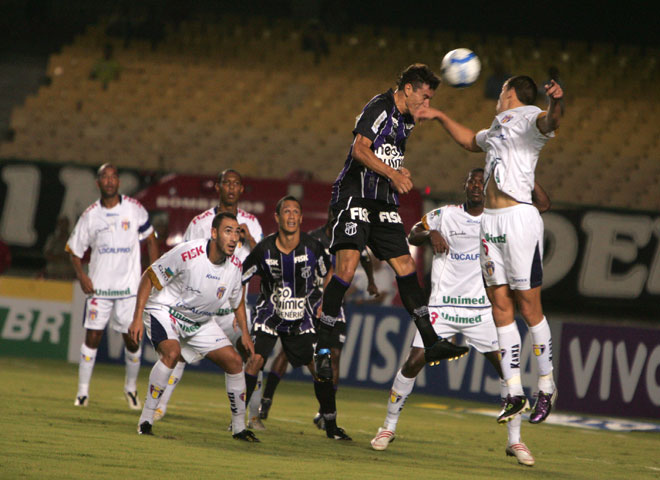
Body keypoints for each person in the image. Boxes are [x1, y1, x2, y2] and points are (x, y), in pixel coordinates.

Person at [370, 168, 550, 466]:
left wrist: (524, 172)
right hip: (443, 306)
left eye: (482, 182)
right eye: (473, 181)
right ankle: (387, 427)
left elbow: (542, 206)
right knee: (414, 361)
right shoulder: (446, 214)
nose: (477, 186)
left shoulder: (501, 217)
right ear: (465, 186)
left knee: (508, 371)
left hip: (483, 309)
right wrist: (432, 233)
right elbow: (413, 234)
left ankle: (515, 441)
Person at [416, 75, 563, 424]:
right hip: (492, 223)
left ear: (510, 93)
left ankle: (546, 384)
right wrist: (437, 115)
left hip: (517, 219)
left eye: (500, 92)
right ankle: (514, 391)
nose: (497, 97)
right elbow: (470, 141)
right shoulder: (499, 124)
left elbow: (552, 120)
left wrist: (557, 101)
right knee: (500, 306)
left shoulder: (530, 116)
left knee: (529, 306)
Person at [314, 64, 469, 382]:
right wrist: (393, 174)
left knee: (406, 268)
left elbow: (388, 156)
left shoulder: (408, 119)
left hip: (382, 200)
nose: (426, 106)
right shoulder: (380, 106)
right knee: (344, 270)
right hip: (355, 197)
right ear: (408, 89)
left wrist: (400, 171)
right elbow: (360, 149)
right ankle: (324, 349)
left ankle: (431, 341)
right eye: (424, 98)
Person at [128, 212, 258, 441]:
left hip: (199, 322)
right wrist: (137, 317)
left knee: (235, 362)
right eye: (228, 231)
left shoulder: (235, 266)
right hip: (166, 311)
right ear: (214, 233)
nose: (233, 237)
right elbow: (149, 277)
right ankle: (146, 420)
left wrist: (245, 334)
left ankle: (239, 429)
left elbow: (237, 300)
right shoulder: (188, 253)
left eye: (237, 232)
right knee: (172, 353)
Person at [151, 169, 264, 427]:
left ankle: (254, 416)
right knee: (177, 354)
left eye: (237, 184)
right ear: (218, 187)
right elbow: (184, 261)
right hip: (203, 307)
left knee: (253, 354)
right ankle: (158, 406)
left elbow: (263, 263)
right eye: (227, 183)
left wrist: (251, 240)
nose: (232, 188)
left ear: (242, 190)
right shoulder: (200, 222)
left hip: (234, 309)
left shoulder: (251, 224)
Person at [257, 208, 380, 428]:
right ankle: (266, 400)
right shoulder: (313, 238)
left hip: (335, 304)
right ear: (330, 215)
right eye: (336, 214)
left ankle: (325, 412)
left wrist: (371, 281)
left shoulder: (351, 236)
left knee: (334, 356)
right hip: (308, 301)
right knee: (287, 351)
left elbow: (366, 257)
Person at [241, 195, 351, 440]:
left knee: (321, 370)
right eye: (286, 212)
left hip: (300, 318)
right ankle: (238, 421)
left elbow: (329, 271)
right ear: (277, 217)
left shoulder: (312, 247)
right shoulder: (264, 250)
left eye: (295, 212)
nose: (291, 216)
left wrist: (325, 301)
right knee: (255, 360)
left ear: (301, 218)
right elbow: (240, 277)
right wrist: (242, 325)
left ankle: (331, 426)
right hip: (269, 313)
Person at [66, 163, 159, 409]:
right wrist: (82, 276)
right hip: (99, 289)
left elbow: (151, 239)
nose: (109, 181)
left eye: (113, 177)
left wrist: (154, 272)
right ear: (98, 183)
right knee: (93, 337)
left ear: (119, 182)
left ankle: (130, 389)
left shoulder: (134, 208)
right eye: (104, 177)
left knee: (132, 340)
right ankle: (83, 393)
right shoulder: (90, 215)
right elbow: (74, 251)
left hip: (129, 289)